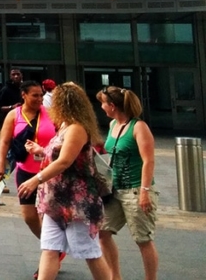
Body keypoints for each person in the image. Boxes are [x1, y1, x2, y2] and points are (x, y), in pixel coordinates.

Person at [17, 82, 110, 280]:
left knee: (90, 252)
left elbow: (65, 161)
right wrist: (41, 151)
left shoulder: (77, 128)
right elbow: (60, 156)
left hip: (75, 203)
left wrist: (36, 179)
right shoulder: (66, 126)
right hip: (55, 201)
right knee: (49, 248)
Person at [96, 86, 159, 280]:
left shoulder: (138, 127)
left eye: (103, 104)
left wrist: (144, 191)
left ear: (112, 106)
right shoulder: (114, 124)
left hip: (135, 189)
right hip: (114, 189)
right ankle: (115, 276)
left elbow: (148, 160)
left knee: (142, 239)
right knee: (103, 231)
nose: (102, 107)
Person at [0, 80, 56, 240]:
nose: (39, 99)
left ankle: (50, 252)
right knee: (29, 216)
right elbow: (5, 141)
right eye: (35, 95)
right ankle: (50, 245)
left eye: (41, 95)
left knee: (48, 216)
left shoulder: (51, 113)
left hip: (48, 172)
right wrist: (1, 162)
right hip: (25, 172)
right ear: (24, 95)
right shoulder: (14, 115)